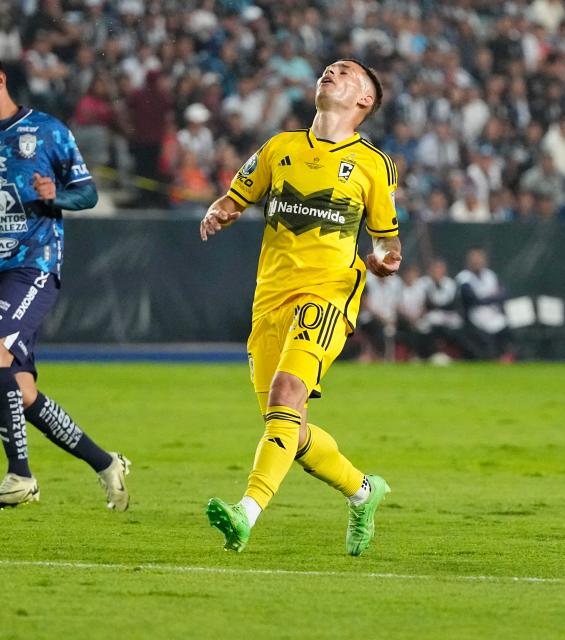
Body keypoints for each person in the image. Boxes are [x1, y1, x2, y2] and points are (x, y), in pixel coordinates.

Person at [200, 59, 400, 556]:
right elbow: (235, 197)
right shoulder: (278, 147)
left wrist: (380, 262)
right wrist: (219, 210)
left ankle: (245, 514)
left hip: (330, 291)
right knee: (288, 423)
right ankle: (363, 491)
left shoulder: (374, 165)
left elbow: (386, 241)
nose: (330, 73)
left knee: (288, 393)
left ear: (364, 101)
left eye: (346, 72)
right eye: (329, 69)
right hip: (270, 295)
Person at [0, 51, 130, 511]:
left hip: (33, 263)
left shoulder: (49, 132)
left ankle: (20, 475)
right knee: (22, 391)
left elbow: (88, 192)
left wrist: (58, 196)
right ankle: (105, 462)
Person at [455, 248, 512, 361]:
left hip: (493, 315)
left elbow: (504, 294)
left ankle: (506, 356)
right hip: (473, 318)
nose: (477, 261)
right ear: (468, 261)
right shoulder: (463, 277)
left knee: (508, 332)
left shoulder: (491, 275)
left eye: (479, 258)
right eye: (474, 258)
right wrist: (492, 297)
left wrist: (487, 298)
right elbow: (472, 298)